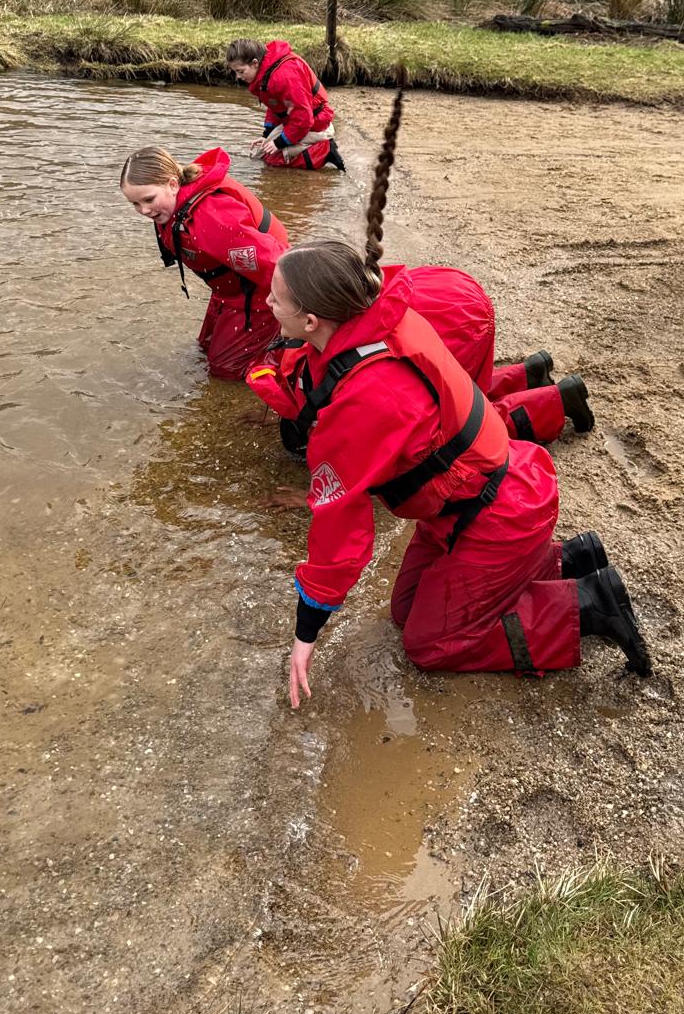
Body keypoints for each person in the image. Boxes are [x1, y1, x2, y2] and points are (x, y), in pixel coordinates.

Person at [268, 87, 652, 707]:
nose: (268, 304)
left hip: (498, 512)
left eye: (276, 299)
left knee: (430, 644)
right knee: (404, 613)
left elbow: (341, 535)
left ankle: (588, 605)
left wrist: (305, 633)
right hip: (480, 497)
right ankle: (570, 560)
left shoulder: (364, 399)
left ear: (311, 320)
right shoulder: (382, 319)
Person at [248, 261, 596, 451]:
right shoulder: (314, 327)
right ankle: (528, 373)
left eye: (275, 301)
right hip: (439, 293)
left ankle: (558, 400)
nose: (268, 303)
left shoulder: (342, 380)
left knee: (447, 432)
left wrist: (312, 497)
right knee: (448, 386)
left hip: (454, 316)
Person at [119, 144, 288, 381]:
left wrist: (309, 306)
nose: (144, 210)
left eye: (148, 199)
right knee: (204, 349)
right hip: (229, 290)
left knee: (227, 370)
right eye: (135, 204)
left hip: (259, 294)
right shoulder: (176, 207)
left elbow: (276, 263)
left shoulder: (212, 216)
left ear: (173, 184)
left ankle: (283, 364)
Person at [226, 37, 345, 171]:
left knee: (273, 159)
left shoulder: (285, 76)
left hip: (317, 122)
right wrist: (267, 135)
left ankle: (326, 149)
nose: (238, 77)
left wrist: (279, 142)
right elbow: (275, 106)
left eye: (240, 71)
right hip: (297, 120)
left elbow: (303, 117)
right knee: (259, 154)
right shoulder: (267, 71)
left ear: (255, 63)